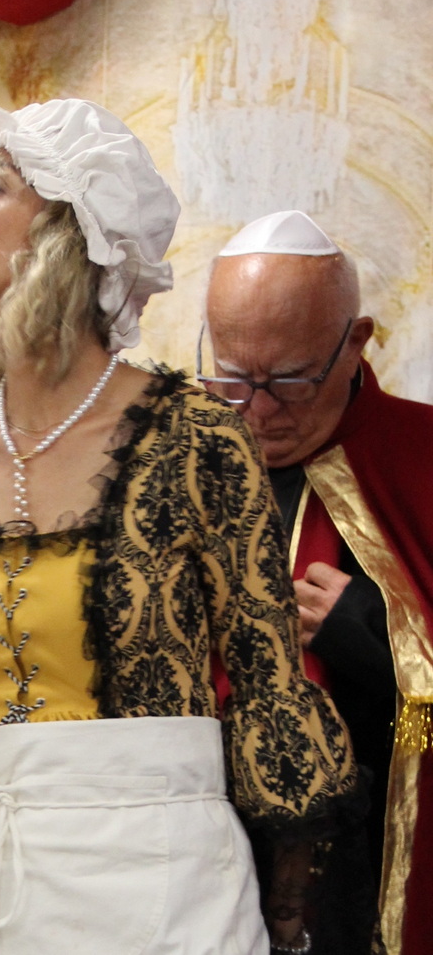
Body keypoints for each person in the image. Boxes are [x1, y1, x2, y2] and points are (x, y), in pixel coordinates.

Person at [0, 99, 360, 955]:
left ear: (65, 237)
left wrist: (287, 926)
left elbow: (267, 687)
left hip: (164, 898)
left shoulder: (196, 441)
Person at [203, 209, 433, 955]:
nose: (259, 410)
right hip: (211, 868)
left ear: (356, 342)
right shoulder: (183, 468)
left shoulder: (424, 457)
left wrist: (376, 630)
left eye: (291, 381)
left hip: (371, 874)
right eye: (234, 378)